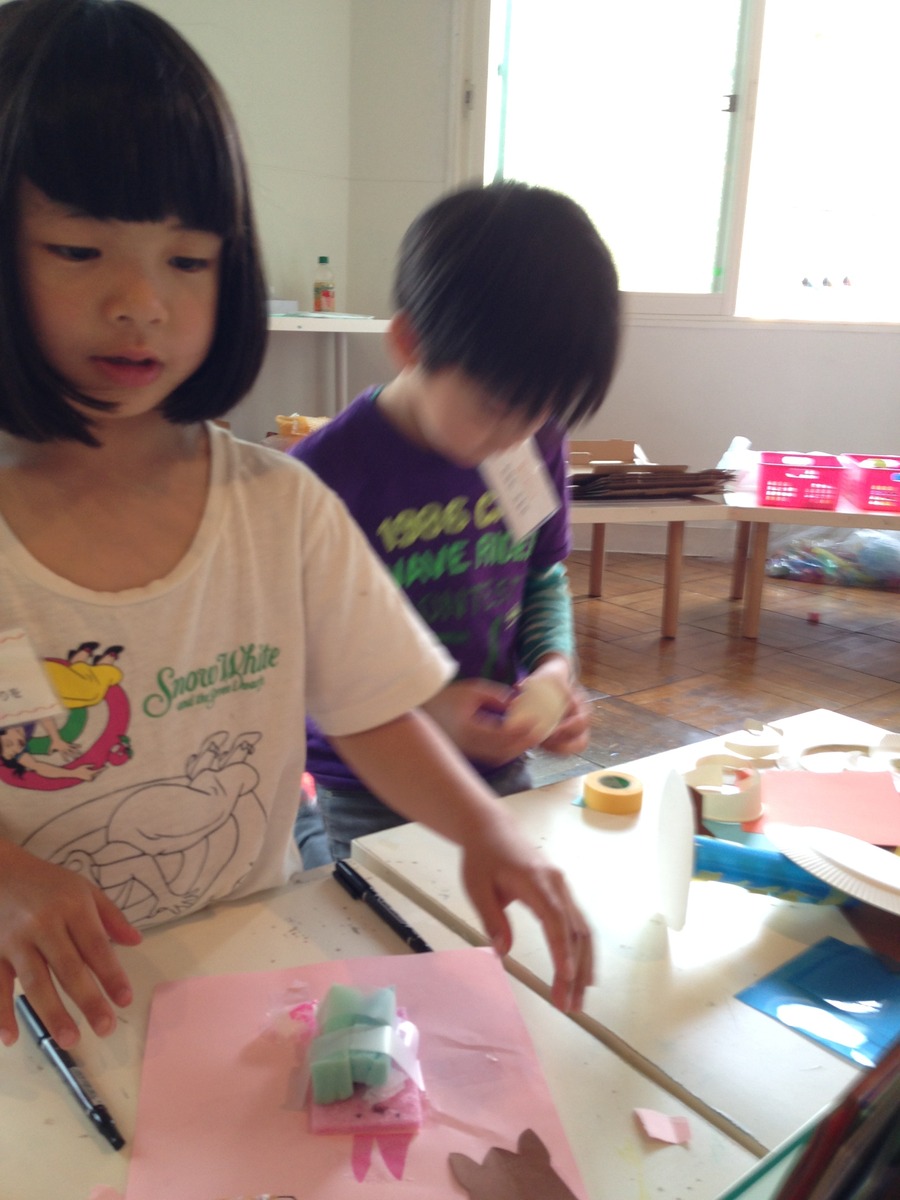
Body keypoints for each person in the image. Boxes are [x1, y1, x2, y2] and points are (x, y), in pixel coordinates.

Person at [0, 0, 593, 1053]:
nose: (140, 302)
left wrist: (487, 829)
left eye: (189, 260)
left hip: (248, 976)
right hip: (40, 1013)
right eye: (79, 249)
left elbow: (371, 713)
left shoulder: (279, 506)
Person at [292, 181, 620, 861]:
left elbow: (543, 576)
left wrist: (553, 673)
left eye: (541, 410)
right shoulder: (324, 476)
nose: (517, 435)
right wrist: (427, 709)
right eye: (495, 407)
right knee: (377, 916)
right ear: (410, 343)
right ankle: (312, 830)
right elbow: (304, 657)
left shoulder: (532, 440)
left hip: (494, 766)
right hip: (363, 781)